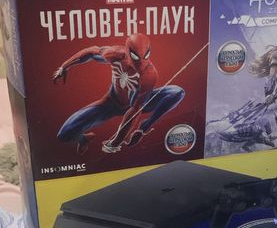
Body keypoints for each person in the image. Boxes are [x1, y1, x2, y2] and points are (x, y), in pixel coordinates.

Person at [53, 33, 185, 154]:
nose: (141, 63)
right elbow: (92, 52)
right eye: (136, 57)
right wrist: (64, 67)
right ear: (128, 52)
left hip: (139, 103)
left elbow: (135, 110)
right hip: (110, 104)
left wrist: (116, 142)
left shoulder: (149, 75)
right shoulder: (117, 54)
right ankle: (84, 139)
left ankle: (145, 126)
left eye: (145, 56)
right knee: (65, 134)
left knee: (177, 92)